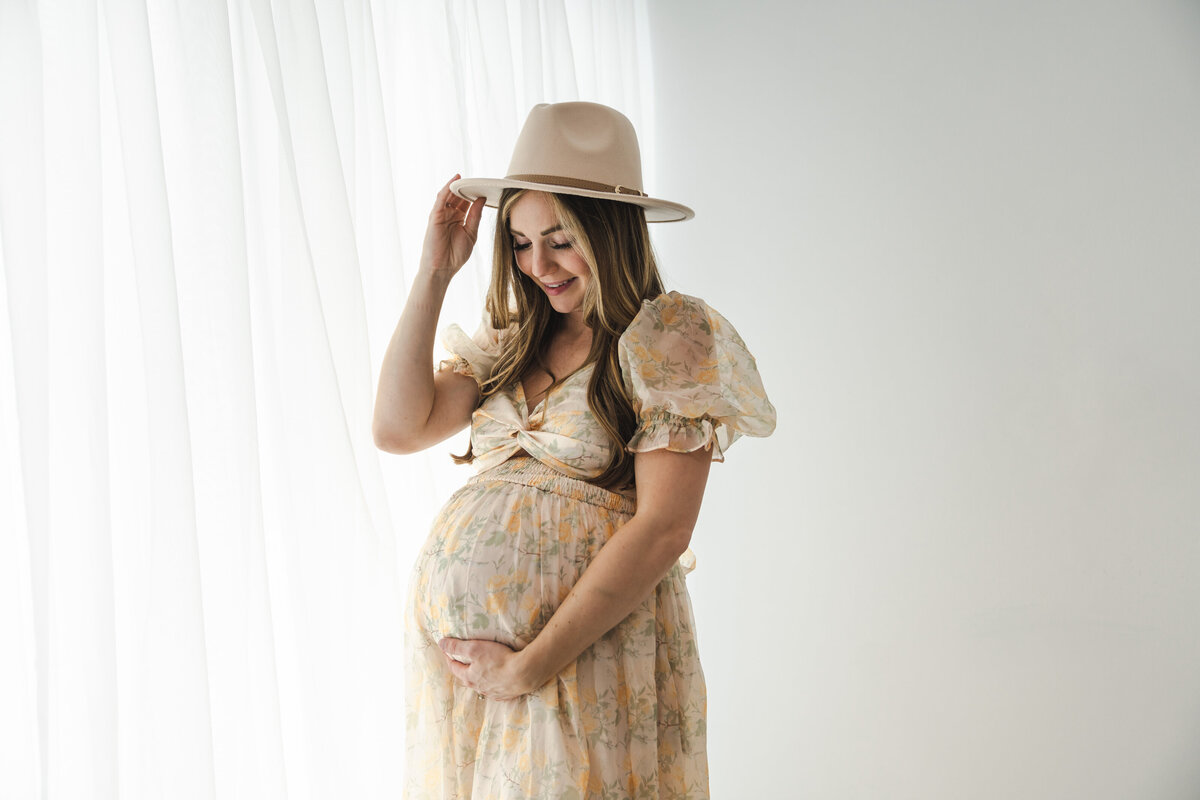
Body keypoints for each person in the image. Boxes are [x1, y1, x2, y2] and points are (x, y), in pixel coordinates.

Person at [372, 101, 777, 799]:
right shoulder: (512, 342)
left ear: (609, 231)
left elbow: (663, 529)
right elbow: (398, 428)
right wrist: (434, 273)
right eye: (522, 243)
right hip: (470, 685)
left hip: (582, 660)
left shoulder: (667, 340)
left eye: (559, 240)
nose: (538, 264)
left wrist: (530, 665)